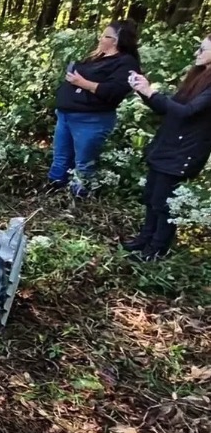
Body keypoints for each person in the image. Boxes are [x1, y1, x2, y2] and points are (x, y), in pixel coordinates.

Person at [122, 34, 211, 262]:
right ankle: (144, 239)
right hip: (167, 145)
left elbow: (187, 112)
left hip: (184, 152)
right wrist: (144, 91)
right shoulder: (198, 77)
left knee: (164, 203)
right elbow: (169, 109)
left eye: (202, 50)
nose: (196, 54)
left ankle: (157, 249)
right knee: (152, 196)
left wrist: (152, 92)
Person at [47, 20, 142, 198]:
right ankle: (54, 190)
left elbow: (115, 91)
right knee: (60, 157)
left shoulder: (126, 63)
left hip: (91, 119)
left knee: (83, 162)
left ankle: (79, 198)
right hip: (66, 114)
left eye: (106, 36)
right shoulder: (97, 57)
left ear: (117, 40)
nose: (101, 39)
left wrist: (82, 83)